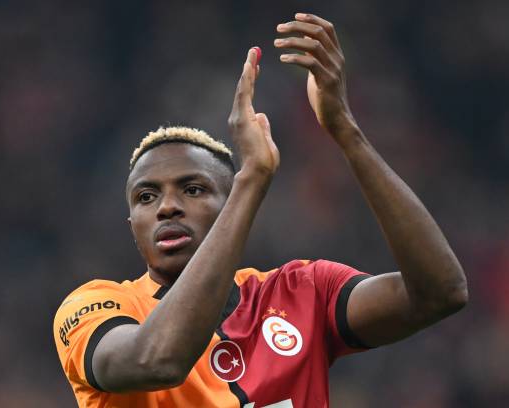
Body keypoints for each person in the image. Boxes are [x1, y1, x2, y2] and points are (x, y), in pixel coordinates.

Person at [53, 12, 468, 408]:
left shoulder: (302, 292)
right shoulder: (96, 306)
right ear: (132, 224)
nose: (167, 208)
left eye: (193, 190)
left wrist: (345, 130)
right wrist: (252, 178)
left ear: (230, 207)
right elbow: (156, 360)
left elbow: (441, 293)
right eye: (146, 197)